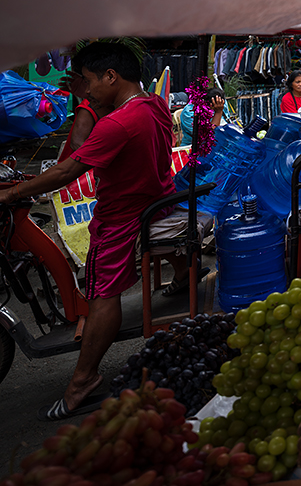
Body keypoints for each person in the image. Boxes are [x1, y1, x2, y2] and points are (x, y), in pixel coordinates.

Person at [0, 42, 178, 419]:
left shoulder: (118, 123)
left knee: (101, 294)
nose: (90, 89)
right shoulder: (152, 105)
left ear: (111, 76)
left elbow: (68, 169)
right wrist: (88, 99)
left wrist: (12, 193)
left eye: (93, 81)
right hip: (156, 200)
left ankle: (83, 379)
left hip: (120, 219)